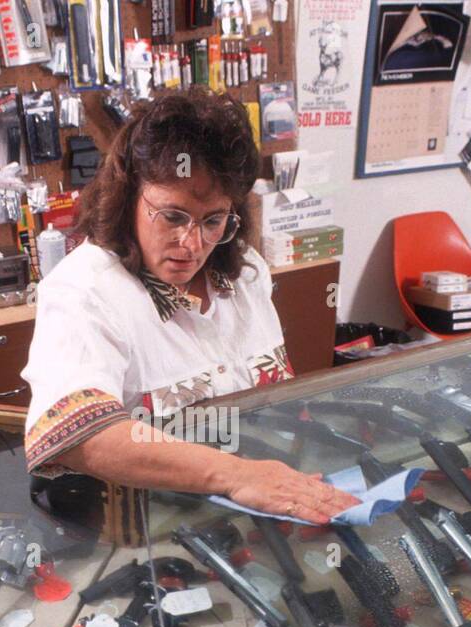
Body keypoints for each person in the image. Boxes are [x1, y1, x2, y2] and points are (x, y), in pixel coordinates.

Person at [20, 90, 359, 525]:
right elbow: (77, 435)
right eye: (173, 216)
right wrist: (237, 476)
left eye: (213, 220)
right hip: (146, 536)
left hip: (254, 522)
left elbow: (271, 399)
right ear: (129, 198)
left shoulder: (246, 272)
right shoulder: (83, 290)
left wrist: (281, 483)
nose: (192, 244)